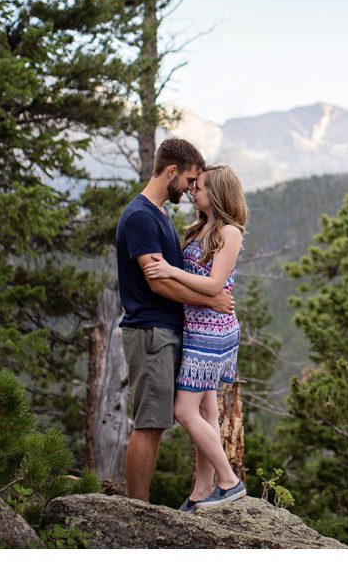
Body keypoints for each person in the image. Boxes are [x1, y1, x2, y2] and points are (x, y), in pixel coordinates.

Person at [116, 138, 235, 502]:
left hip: (169, 330)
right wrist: (211, 299)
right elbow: (158, 281)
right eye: (188, 180)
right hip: (151, 331)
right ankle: (137, 508)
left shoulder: (161, 214)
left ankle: (206, 488)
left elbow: (172, 273)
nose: (190, 188)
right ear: (171, 172)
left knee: (179, 415)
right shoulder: (140, 217)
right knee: (150, 424)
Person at [142, 163, 249, 510]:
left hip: (213, 332)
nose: (192, 191)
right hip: (195, 327)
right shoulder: (199, 229)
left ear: (216, 194)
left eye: (198, 187)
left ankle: (229, 481)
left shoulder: (230, 233)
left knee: (184, 410)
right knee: (205, 409)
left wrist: (170, 271)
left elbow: (215, 285)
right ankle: (202, 490)